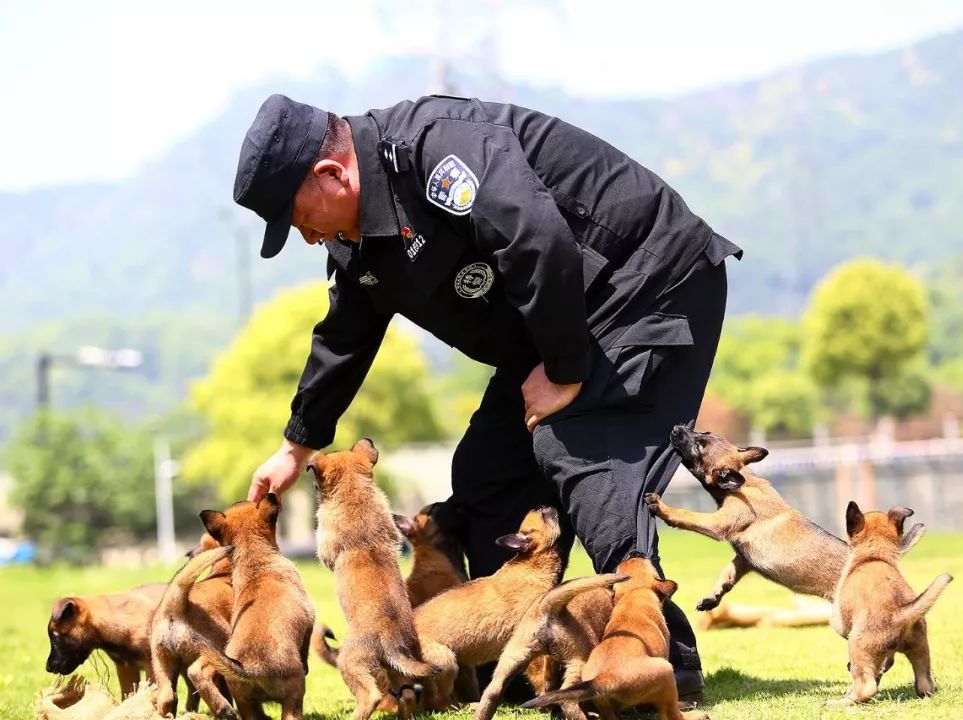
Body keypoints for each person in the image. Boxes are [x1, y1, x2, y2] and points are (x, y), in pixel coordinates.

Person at [235, 94, 742, 700]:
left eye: (297, 219)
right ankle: (527, 670)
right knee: (487, 471)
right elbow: (346, 333)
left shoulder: (435, 149)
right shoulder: (356, 237)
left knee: (579, 446)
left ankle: (656, 670)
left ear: (331, 173)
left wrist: (564, 369)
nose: (306, 238)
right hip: (562, 323)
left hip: (649, 283)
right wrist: (297, 445)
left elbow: (535, 237)